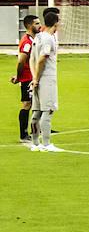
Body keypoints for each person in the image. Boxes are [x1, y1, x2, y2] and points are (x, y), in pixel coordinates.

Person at [29, 10, 63, 152]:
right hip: (46, 78)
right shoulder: (48, 38)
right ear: (56, 23)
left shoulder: (38, 37)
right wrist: (37, 78)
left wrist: (33, 77)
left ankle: (35, 143)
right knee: (47, 111)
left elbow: (32, 59)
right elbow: (43, 58)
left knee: (36, 112)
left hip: (37, 78)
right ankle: (46, 144)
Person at [12, 15, 39, 144]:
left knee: (37, 104)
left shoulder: (34, 39)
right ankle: (23, 135)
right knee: (27, 104)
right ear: (29, 26)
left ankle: (38, 130)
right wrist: (18, 77)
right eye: (37, 23)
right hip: (27, 77)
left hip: (34, 76)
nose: (39, 26)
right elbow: (21, 60)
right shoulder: (27, 42)